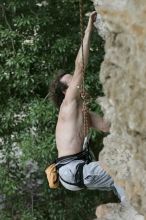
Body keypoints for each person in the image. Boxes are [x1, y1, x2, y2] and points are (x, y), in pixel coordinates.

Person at [49, 11, 125, 202]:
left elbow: (109, 127)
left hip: (76, 172)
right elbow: (80, 67)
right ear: (66, 92)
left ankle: (131, 205)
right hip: (72, 170)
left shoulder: (84, 114)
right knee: (123, 170)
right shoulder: (68, 107)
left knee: (125, 175)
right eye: (72, 82)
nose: (78, 83)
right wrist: (89, 27)